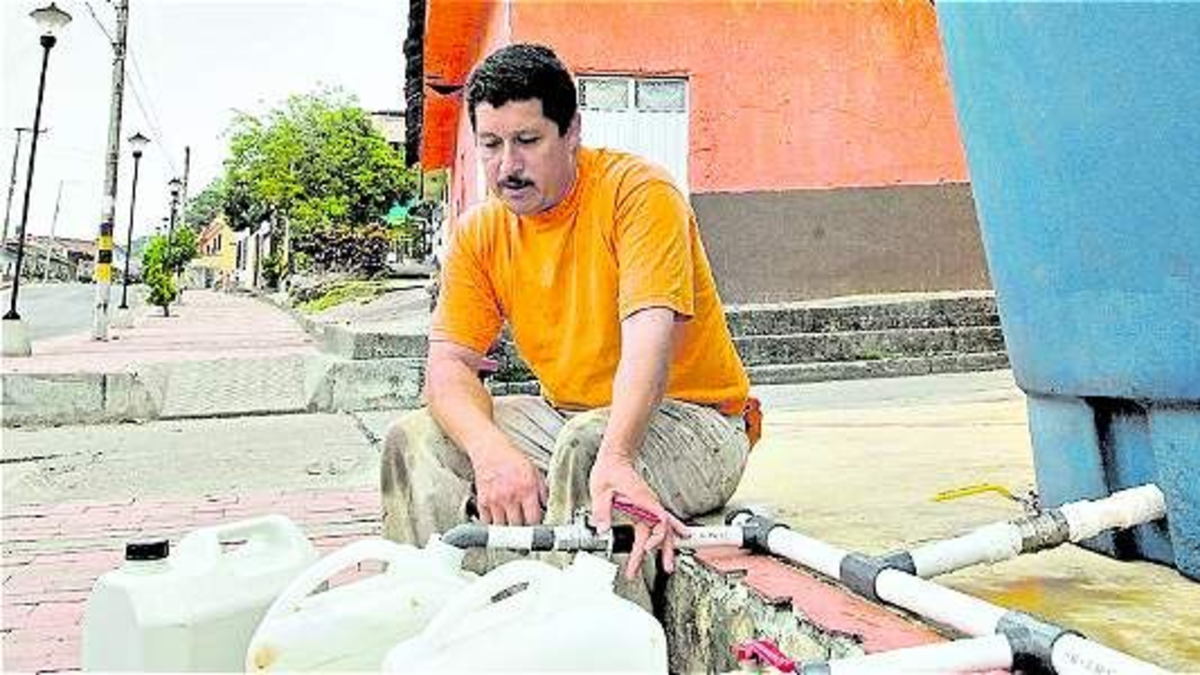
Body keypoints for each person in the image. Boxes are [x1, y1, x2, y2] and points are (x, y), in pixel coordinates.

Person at [381, 43, 759, 606]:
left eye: (527, 141)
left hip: (695, 424)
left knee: (588, 450)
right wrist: (490, 452)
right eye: (491, 145)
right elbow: (449, 365)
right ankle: (447, 620)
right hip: (566, 416)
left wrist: (618, 456)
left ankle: (585, 636)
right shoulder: (480, 233)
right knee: (413, 440)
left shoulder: (638, 194)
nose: (508, 166)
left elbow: (649, 342)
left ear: (572, 131)